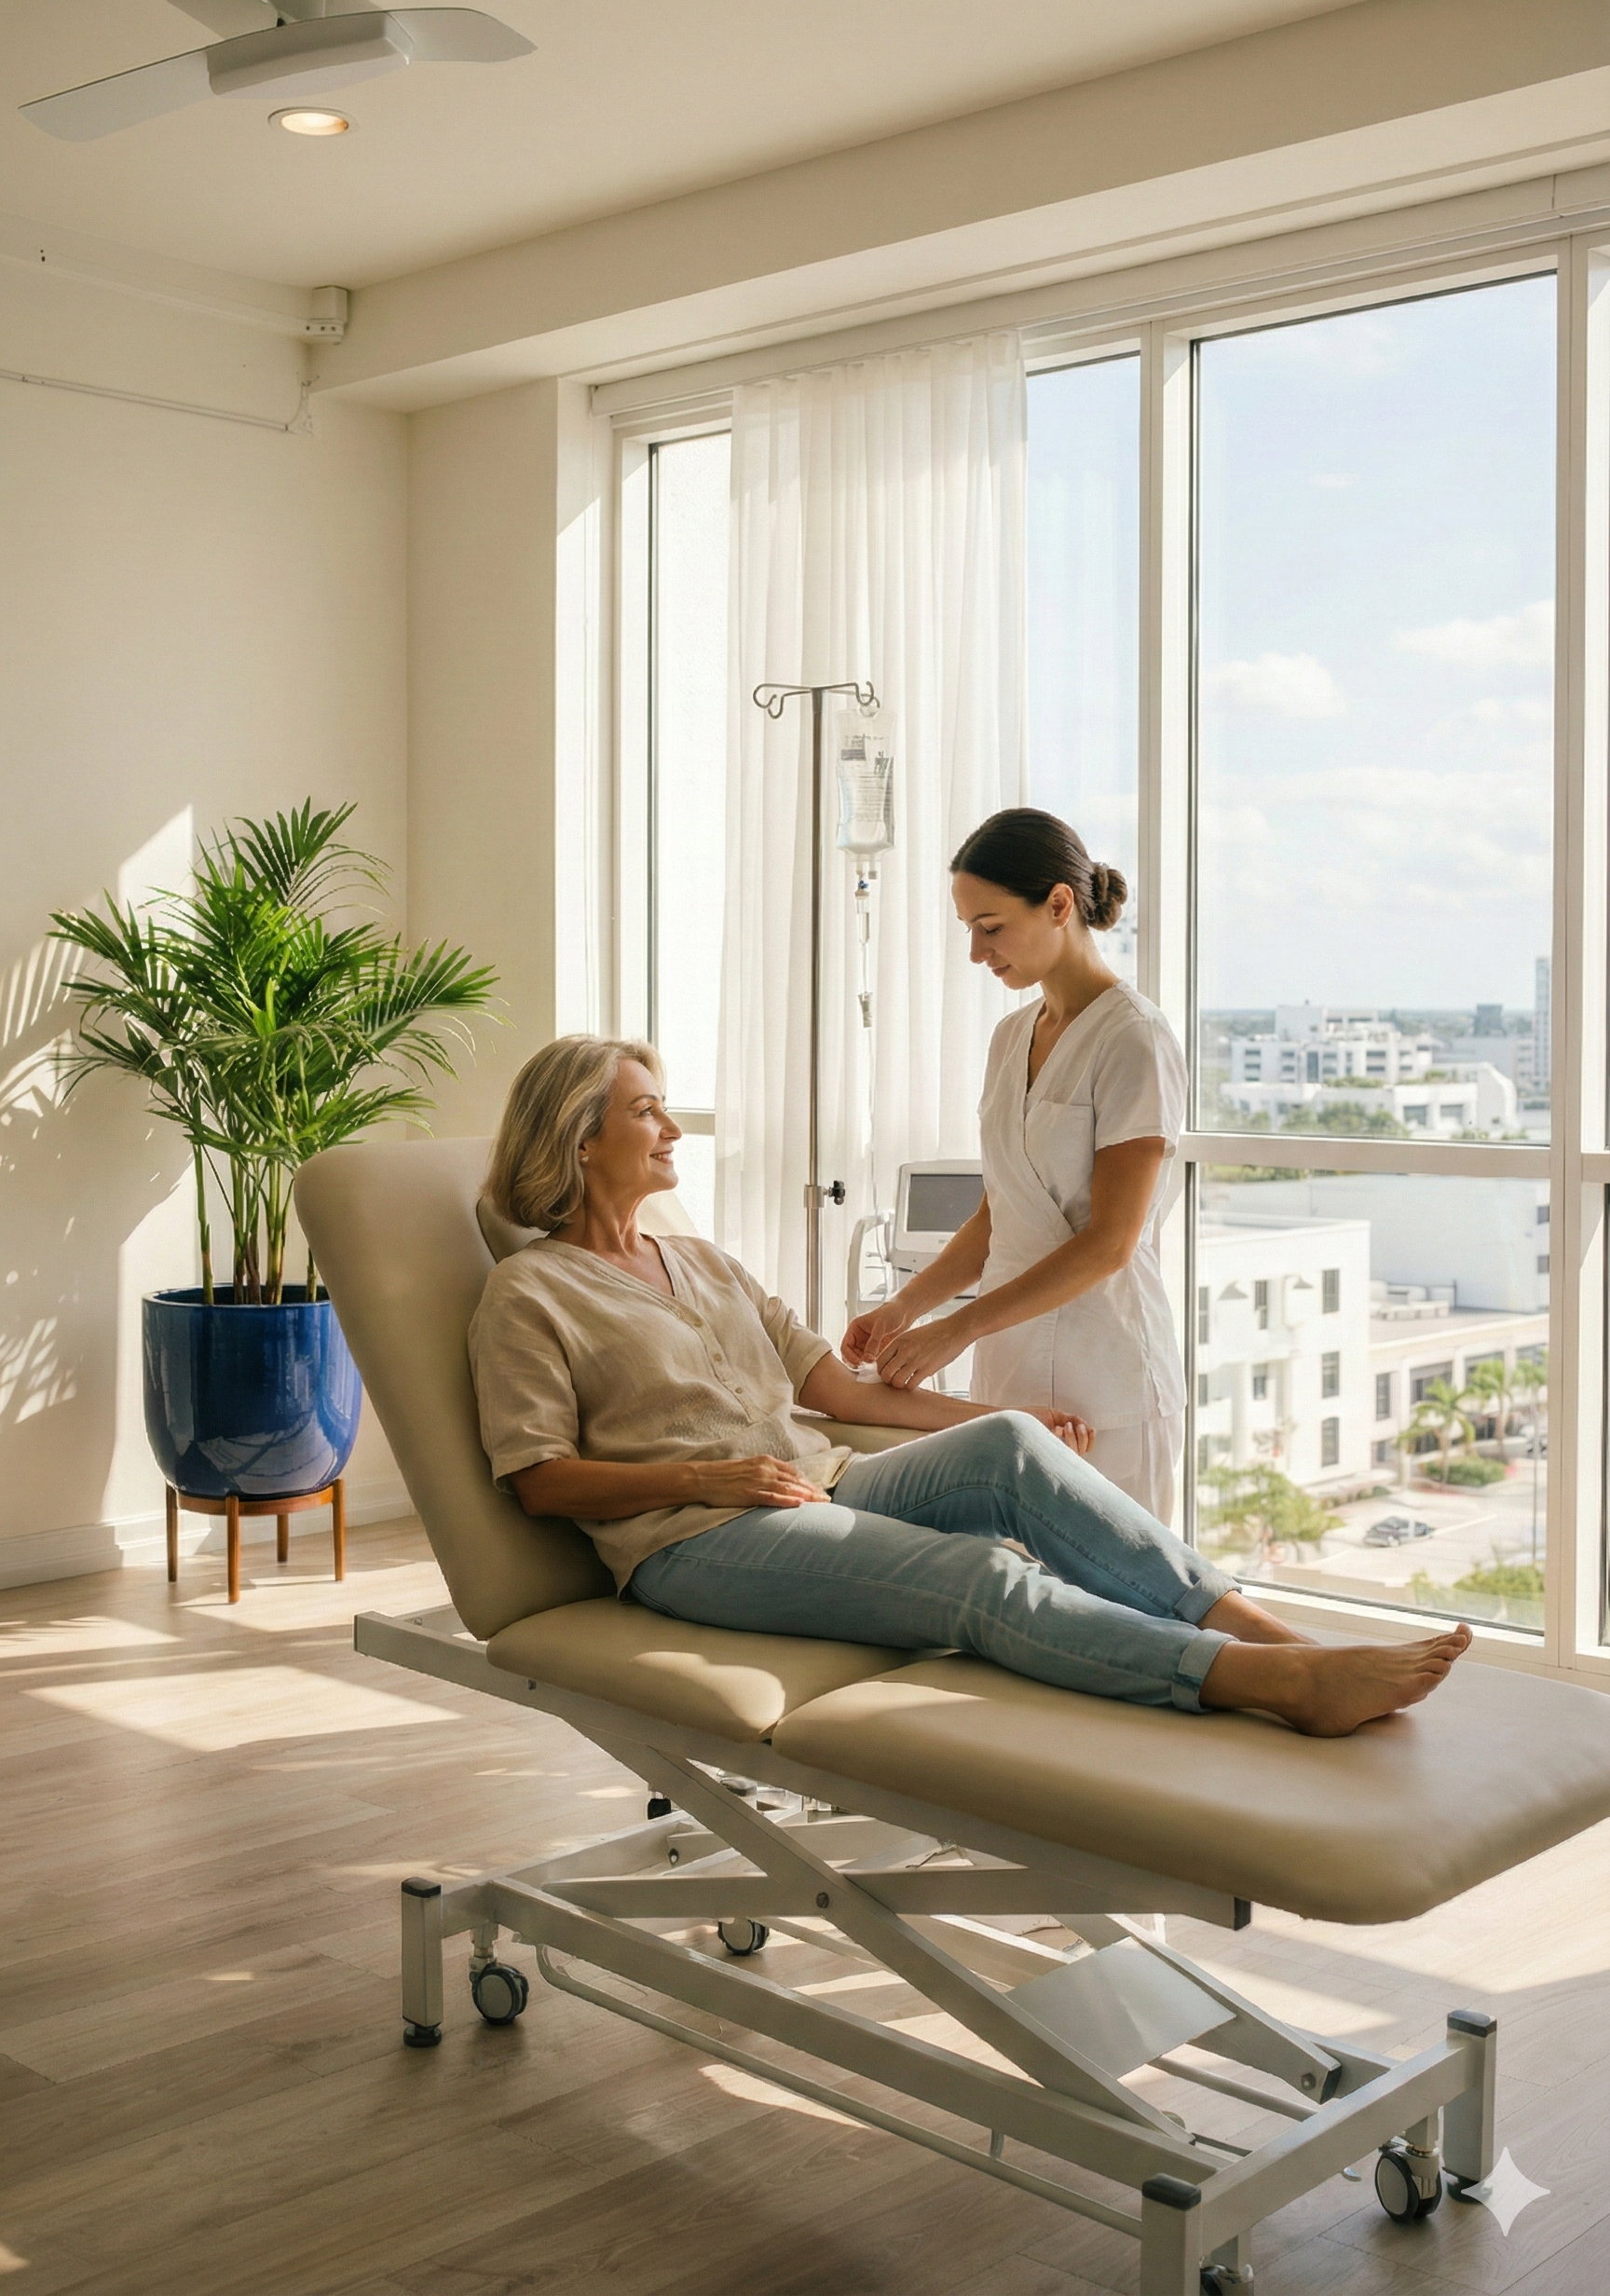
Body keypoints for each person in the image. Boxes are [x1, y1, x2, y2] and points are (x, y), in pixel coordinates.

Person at [469, 1033, 1469, 1736]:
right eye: (647, 1111)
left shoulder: (706, 1261)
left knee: (1009, 1453)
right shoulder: (530, 1292)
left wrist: (1002, 1415)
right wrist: (720, 1480)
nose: (674, 1128)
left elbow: (844, 1392)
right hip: (693, 1542)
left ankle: (1265, 1628)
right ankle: (1269, 1680)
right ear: (582, 1137)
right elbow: (540, 1478)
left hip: (816, 1481)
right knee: (976, 1579)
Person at [844, 807, 1187, 1523]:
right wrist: (907, 1307)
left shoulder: (1134, 1041)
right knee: (1014, 1577)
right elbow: (998, 1212)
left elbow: (1111, 1243)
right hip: (1009, 1356)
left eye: (991, 927)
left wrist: (959, 1328)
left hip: (1108, 1361)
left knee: (1119, 1593)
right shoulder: (1011, 1037)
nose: (976, 952)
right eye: (969, 928)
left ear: (1060, 903)